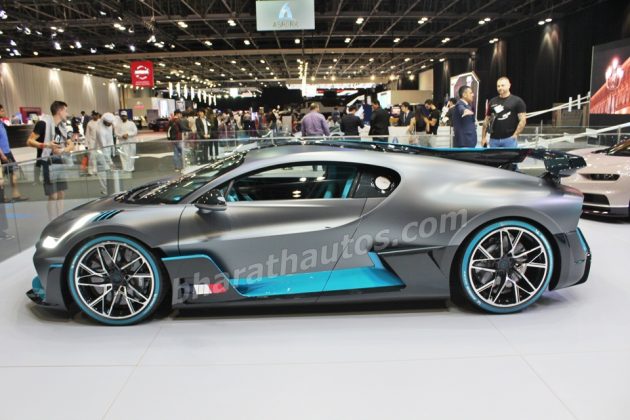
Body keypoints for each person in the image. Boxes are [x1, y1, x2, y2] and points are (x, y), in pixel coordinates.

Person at [26, 100, 75, 220]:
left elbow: (71, 144)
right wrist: (46, 145)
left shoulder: (62, 127)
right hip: (46, 162)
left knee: (61, 193)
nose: (67, 114)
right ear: (59, 111)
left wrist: (62, 150)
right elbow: (29, 141)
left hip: (58, 161)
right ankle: (52, 220)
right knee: (53, 195)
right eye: (66, 111)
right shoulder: (43, 123)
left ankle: (60, 219)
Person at [482, 77, 527, 148]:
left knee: (510, 156)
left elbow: (523, 120)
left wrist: (515, 135)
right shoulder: (492, 101)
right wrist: (483, 138)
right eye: (498, 86)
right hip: (494, 140)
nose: (500, 88)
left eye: (502, 85)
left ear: (509, 85)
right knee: (493, 156)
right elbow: (486, 120)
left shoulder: (517, 101)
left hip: (509, 139)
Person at [0, 105, 27, 201]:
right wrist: (2, 155)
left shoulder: (2, 123)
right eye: (1, 111)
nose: (4, 112)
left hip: (8, 152)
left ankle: (16, 195)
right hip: (2, 154)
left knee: (13, 173)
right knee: (1, 178)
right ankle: (2, 197)